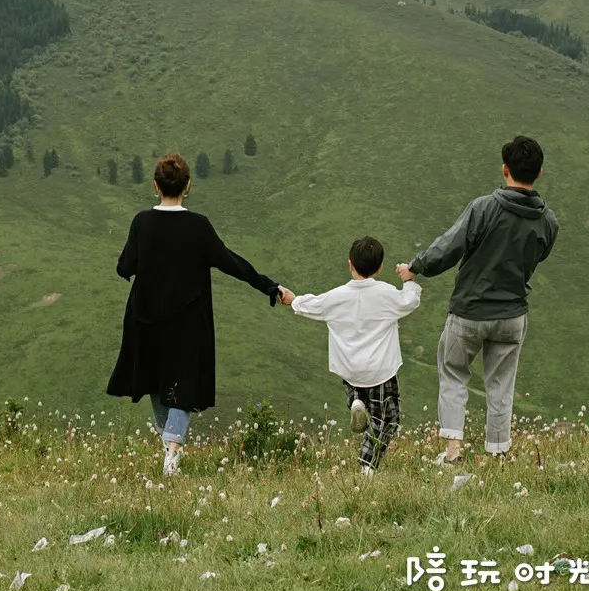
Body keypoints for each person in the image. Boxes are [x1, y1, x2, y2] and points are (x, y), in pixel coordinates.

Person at [107, 153, 283, 477]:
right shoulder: (198, 226)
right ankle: (172, 449)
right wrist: (270, 287)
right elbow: (231, 262)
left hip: (144, 320)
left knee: (157, 384)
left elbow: (124, 267)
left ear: (154, 185)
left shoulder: (141, 223)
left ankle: (170, 448)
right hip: (187, 324)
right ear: (188, 186)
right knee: (183, 386)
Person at [396, 135, 558, 463]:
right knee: (501, 383)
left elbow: (449, 247)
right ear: (539, 173)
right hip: (513, 314)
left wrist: (415, 267)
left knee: (454, 372)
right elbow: (537, 257)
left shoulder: (484, 208)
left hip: (470, 311)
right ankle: (498, 452)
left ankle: (453, 450)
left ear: (504, 170)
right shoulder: (548, 221)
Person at [279, 237, 421, 474]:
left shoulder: (336, 296)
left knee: (361, 394)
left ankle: (356, 400)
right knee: (387, 420)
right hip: (380, 372)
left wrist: (293, 300)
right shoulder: (386, 294)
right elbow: (410, 301)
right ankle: (367, 466)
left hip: (350, 371)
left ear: (350, 264)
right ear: (380, 268)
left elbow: (312, 305)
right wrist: (409, 281)